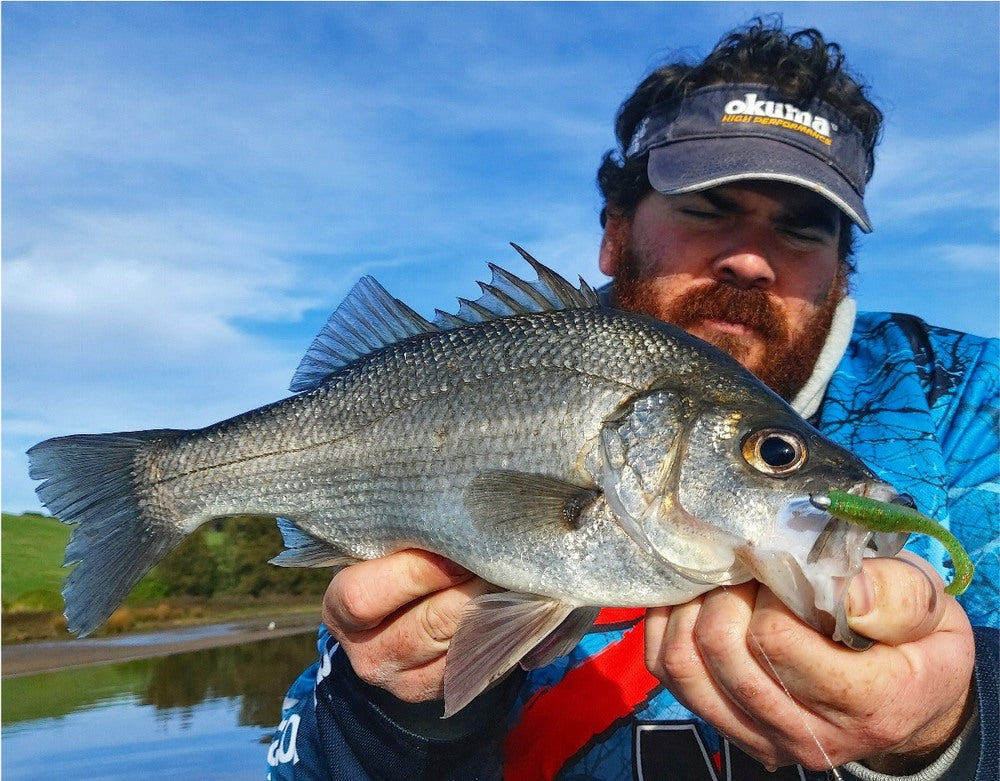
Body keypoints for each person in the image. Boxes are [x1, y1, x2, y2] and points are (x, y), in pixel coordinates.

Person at [267, 19, 998, 781]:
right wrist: (396, 716)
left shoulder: (974, 399)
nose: (749, 258)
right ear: (615, 235)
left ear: (841, 273)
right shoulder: (494, 370)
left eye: (802, 227)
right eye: (708, 207)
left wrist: (956, 721)